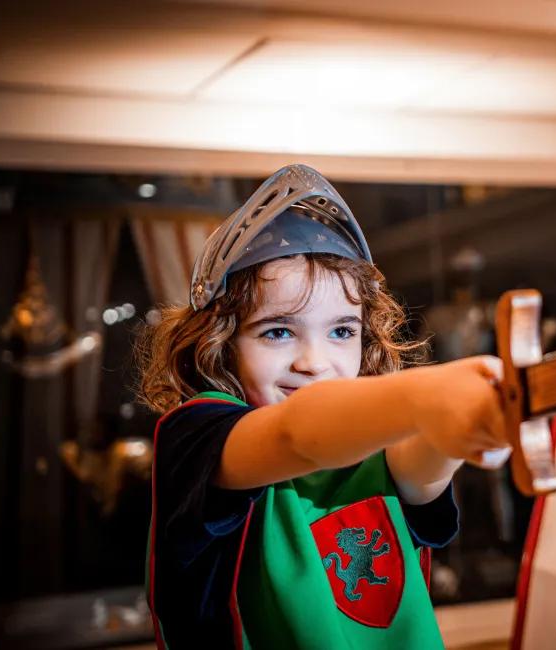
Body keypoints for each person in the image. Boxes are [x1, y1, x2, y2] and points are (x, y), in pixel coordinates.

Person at [135, 164, 510, 649]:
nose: (315, 362)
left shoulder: (376, 440)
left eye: (341, 331)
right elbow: (296, 433)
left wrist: (473, 421)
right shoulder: (198, 437)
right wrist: (427, 396)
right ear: (220, 344)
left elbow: (423, 461)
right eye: (277, 331)